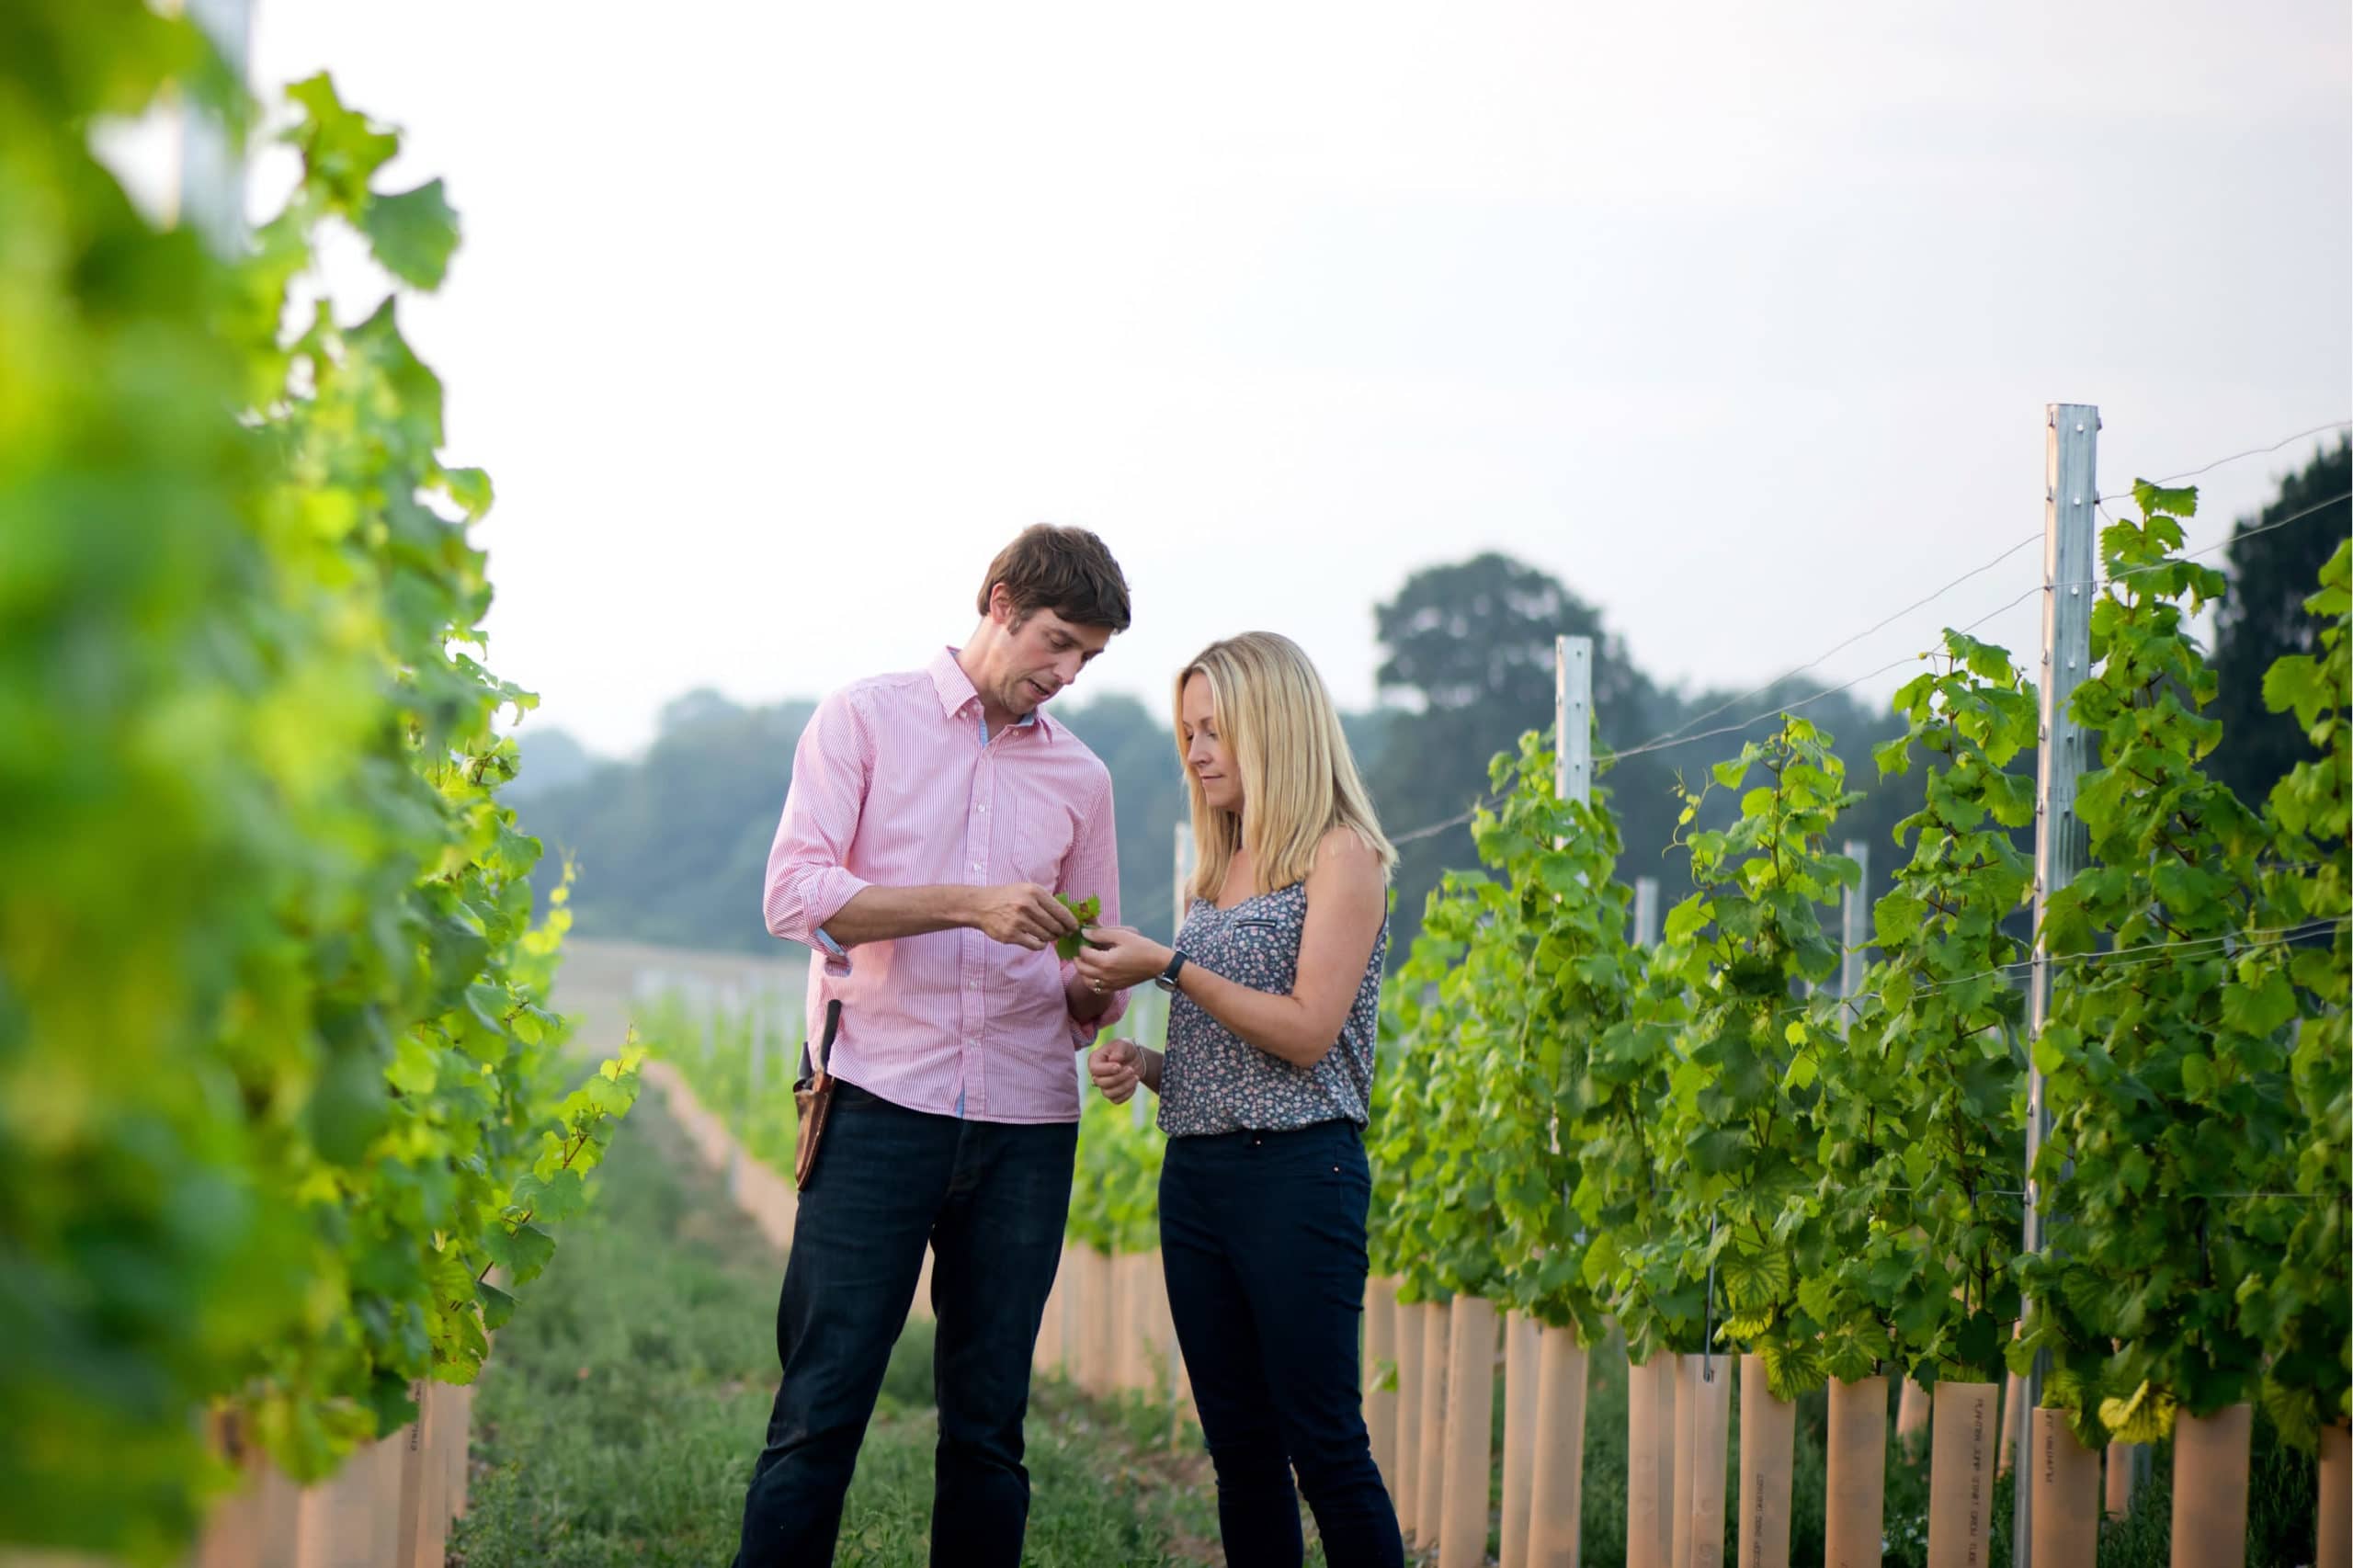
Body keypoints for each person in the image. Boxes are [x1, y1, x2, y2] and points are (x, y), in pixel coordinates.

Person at [735, 524, 1132, 1568]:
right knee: (819, 1411)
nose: (1064, 672)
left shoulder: (1083, 779)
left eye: (1086, 657)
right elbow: (794, 894)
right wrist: (966, 905)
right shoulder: (863, 719)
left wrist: (1096, 990)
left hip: (1028, 1127)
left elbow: (1088, 968)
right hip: (874, 1103)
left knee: (990, 1433)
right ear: (998, 601)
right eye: (1055, 641)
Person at [1076, 630, 1404, 1568]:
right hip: (1201, 1179)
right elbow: (1227, 1056)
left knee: (1325, 1446)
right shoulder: (1217, 868)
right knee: (1241, 1454)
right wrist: (1144, 1062)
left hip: (1301, 1174)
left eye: (1214, 729)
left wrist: (1171, 964)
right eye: (1187, 731)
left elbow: (1305, 1033)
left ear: (1276, 726)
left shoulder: (1345, 858)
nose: (1197, 751)